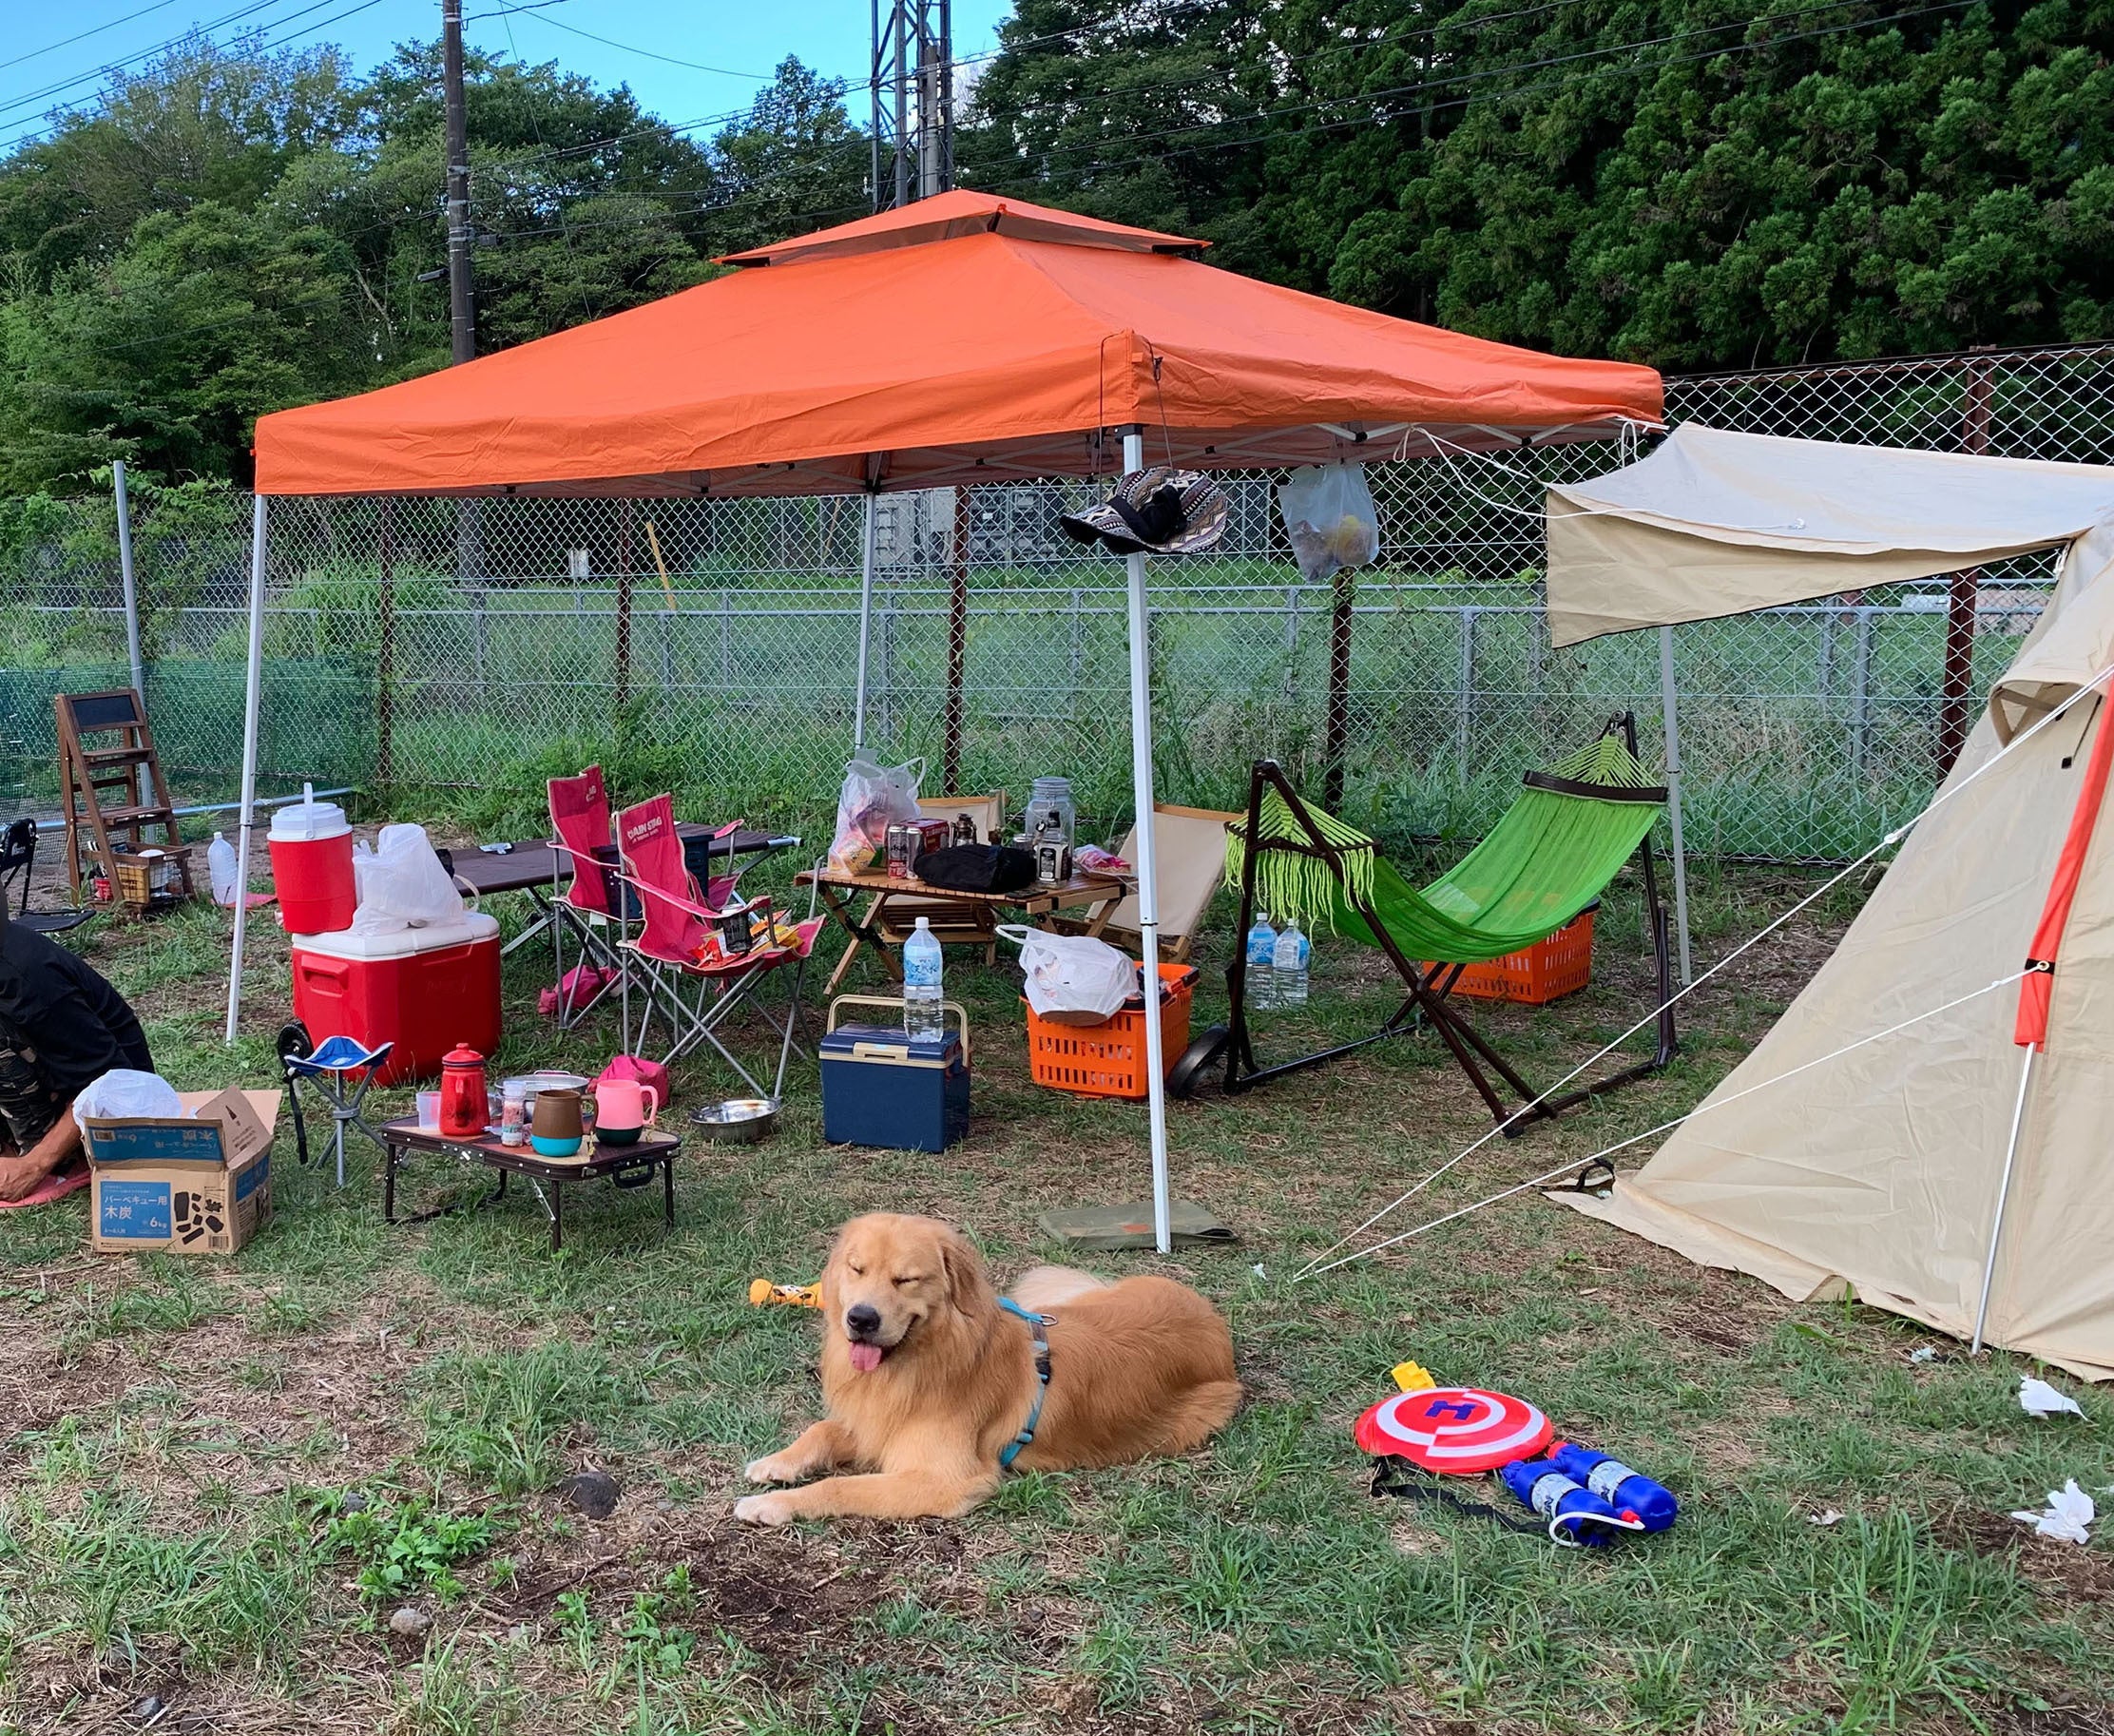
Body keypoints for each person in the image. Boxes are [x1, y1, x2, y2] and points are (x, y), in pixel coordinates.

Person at [0, 912, 152, 1202]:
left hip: (115, 1105)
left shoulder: (28, 982)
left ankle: (54, 1158)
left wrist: (34, 1166)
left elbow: (110, 1081)